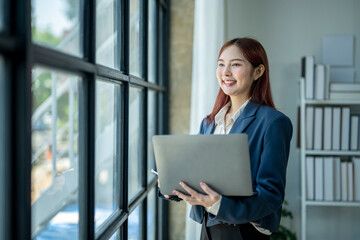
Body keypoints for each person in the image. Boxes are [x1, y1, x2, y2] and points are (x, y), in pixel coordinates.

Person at [158, 37, 293, 240]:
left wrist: (218, 204)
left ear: (258, 71)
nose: (226, 72)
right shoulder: (209, 122)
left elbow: (271, 195)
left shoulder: (273, 122)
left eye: (235, 65)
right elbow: (199, 175)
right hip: (208, 229)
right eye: (221, 65)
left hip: (244, 232)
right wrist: (172, 186)